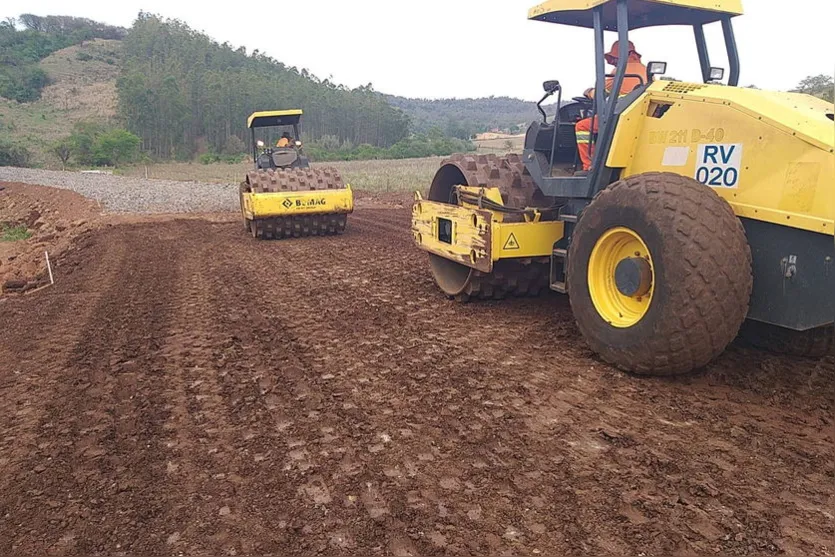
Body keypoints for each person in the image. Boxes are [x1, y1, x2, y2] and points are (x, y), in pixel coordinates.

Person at [575, 40, 648, 174]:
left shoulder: (620, 71)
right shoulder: (646, 70)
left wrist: (588, 92)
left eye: (615, 58)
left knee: (582, 127)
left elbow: (601, 93)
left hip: (618, 117)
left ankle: (589, 166)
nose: (613, 61)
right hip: (638, 116)